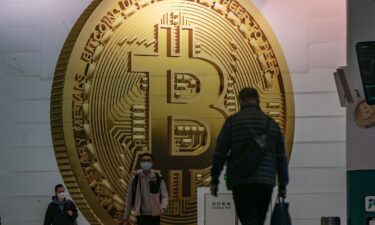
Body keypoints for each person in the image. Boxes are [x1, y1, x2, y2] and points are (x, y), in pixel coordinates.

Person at [210, 87, 289, 225]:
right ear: (258, 101)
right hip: (265, 181)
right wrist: (282, 184)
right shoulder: (272, 125)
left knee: (248, 220)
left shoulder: (233, 122)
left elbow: (220, 152)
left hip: (241, 180)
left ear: (240, 100)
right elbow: (281, 158)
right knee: (258, 220)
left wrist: (214, 179)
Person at [122, 153, 168, 225]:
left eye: (148, 160)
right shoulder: (135, 179)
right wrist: (126, 217)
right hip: (141, 216)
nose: (146, 162)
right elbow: (129, 199)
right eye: (144, 160)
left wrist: (163, 207)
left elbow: (164, 195)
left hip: (155, 215)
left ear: (152, 163)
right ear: (140, 163)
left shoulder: (158, 177)